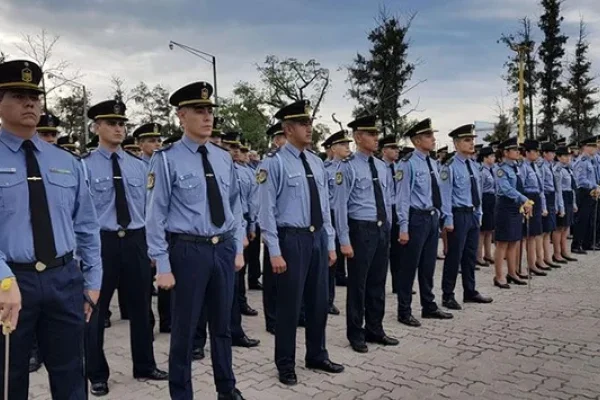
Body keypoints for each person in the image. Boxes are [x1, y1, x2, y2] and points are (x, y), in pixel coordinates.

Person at [0, 59, 102, 399]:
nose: (30, 103)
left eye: (35, 96)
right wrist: (3, 281)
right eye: (18, 95)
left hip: (63, 280)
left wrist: (93, 282)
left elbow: (86, 225)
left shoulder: (65, 162)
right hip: (11, 281)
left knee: (71, 374)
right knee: (8, 377)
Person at [146, 81, 245, 400]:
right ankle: (181, 393)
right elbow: (155, 214)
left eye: (209, 111)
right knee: (185, 332)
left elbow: (234, 204)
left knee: (222, 326)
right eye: (199, 111)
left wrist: (238, 244)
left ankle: (227, 389)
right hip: (188, 250)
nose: (207, 117)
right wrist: (162, 264)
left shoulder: (223, 157)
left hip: (223, 247)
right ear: (181, 116)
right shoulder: (166, 159)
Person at [83, 100, 168, 396]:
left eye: (122, 124)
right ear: (97, 128)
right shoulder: (83, 166)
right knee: (95, 310)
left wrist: (155, 249)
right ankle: (96, 373)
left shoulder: (139, 166)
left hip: (135, 240)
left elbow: (151, 210)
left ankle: (144, 364)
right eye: (111, 124)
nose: (119, 129)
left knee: (142, 307)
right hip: (101, 243)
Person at [258, 100, 344, 385]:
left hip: (317, 237)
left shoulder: (317, 162)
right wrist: (274, 250)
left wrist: (330, 243)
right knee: (289, 307)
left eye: (309, 123)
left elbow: (325, 207)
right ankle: (285, 363)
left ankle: (317, 354)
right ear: (287, 128)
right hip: (291, 239)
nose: (309, 128)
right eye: (303, 124)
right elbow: (266, 210)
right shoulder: (274, 162)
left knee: (319, 302)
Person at [333, 115, 399, 352]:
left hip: (380, 228)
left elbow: (388, 199)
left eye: (376, 134)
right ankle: (355, 333)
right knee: (358, 285)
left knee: (378, 282)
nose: (376, 138)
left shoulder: (382, 167)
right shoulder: (347, 167)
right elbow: (340, 205)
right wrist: (344, 239)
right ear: (358, 137)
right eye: (371, 134)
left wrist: (389, 226)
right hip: (360, 229)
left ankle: (375, 328)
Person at [396, 118, 453, 327]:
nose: (433, 139)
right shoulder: (408, 163)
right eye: (428, 136)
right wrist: (403, 227)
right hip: (416, 218)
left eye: (432, 135)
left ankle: (428, 305)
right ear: (417, 140)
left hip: (431, 217)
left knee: (428, 265)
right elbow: (402, 197)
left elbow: (439, 193)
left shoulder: (433, 163)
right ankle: (404, 310)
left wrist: (442, 215)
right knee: (409, 267)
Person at [439, 124, 492, 310]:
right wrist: (448, 219)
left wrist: (479, 213)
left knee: (470, 255)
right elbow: (445, 195)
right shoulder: (450, 167)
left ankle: (470, 291)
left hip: (471, 213)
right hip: (458, 214)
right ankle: (448, 295)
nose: (471, 143)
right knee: (454, 256)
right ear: (456, 143)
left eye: (472, 140)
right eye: (467, 140)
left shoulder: (473, 165)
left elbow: (476, 191)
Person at [493, 137, 532, 288]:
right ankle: (499, 276)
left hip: (516, 206)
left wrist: (524, 201)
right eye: (514, 150)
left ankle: (512, 272)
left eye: (517, 150)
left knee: (514, 241)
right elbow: (506, 189)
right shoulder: (501, 170)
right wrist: (523, 199)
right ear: (505, 152)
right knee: (502, 242)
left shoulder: (516, 167)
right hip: (505, 207)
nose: (517, 152)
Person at [323, 130, 352, 314]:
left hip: (349, 217)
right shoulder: (326, 170)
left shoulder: (351, 167)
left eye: (348, 145)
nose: (347, 148)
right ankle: (327, 300)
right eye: (343, 145)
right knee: (331, 261)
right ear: (333, 148)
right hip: (332, 216)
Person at [260, 122, 286, 334]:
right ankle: (273, 320)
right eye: (282, 137)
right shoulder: (270, 162)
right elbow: (264, 205)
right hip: (276, 228)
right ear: (277, 140)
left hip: (296, 231)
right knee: (272, 279)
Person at [378, 135, 402, 294]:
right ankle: (379, 283)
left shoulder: (399, 167)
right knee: (383, 249)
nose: (397, 151)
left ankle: (398, 284)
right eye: (393, 148)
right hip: (384, 211)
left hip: (397, 208)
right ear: (384, 150)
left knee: (399, 250)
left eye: (397, 148)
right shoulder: (378, 167)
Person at [572, 137, 599, 254]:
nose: (595, 149)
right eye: (592, 146)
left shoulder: (590, 161)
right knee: (582, 219)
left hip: (591, 192)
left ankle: (586, 243)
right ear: (585, 147)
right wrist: (594, 185)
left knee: (589, 219)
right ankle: (576, 244)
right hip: (583, 192)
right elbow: (580, 180)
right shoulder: (582, 162)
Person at [552, 146, 578, 263]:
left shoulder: (568, 169)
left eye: (569, 155)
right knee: (559, 227)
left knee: (566, 226)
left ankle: (564, 251)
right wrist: (560, 207)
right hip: (561, 198)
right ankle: (557, 253)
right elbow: (558, 190)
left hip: (568, 197)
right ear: (559, 157)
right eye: (565, 156)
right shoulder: (557, 170)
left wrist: (573, 203)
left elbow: (572, 188)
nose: (568, 158)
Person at [539, 141, 561, 269]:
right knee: (543, 231)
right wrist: (543, 206)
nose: (553, 155)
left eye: (554, 153)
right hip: (545, 197)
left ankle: (548, 257)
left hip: (552, 197)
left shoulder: (551, 165)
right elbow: (541, 186)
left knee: (549, 230)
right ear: (545, 153)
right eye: (551, 152)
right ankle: (541, 258)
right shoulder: (542, 166)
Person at [476, 147, 496, 266]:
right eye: (491, 156)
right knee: (482, 230)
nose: (494, 158)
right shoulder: (482, 171)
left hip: (491, 199)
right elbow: (479, 190)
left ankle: (488, 254)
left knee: (489, 229)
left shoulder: (491, 170)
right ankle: (478, 256)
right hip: (484, 199)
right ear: (485, 158)